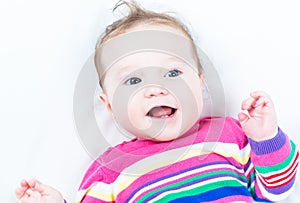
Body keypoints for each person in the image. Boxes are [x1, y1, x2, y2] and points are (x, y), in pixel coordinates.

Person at [15, 1, 299, 202]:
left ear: (199, 84)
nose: (156, 89)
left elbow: (276, 191)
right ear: (110, 106)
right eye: (134, 81)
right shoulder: (109, 171)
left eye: (173, 73)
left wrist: (266, 137)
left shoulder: (229, 135)